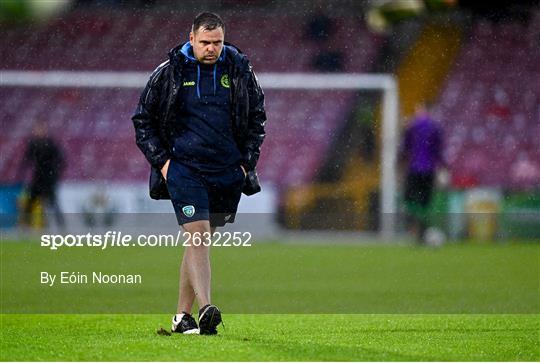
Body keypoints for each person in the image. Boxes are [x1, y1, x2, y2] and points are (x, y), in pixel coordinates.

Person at [132, 12, 266, 335]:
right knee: (198, 236)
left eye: (217, 42)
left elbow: (258, 117)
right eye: (205, 42)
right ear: (191, 38)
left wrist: (245, 164)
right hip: (185, 169)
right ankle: (207, 308)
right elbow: (142, 120)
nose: (211, 48)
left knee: (198, 245)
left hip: (226, 171)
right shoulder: (170, 71)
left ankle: (181, 317)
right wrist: (165, 165)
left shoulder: (239, 69)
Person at [400, 103, 445, 243]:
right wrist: (444, 167)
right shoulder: (435, 127)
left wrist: (399, 162)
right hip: (429, 170)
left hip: (414, 169)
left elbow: (404, 148)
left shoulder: (412, 126)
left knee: (410, 200)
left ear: (421, 110)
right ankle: (422, 232)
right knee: (425, 202)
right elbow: (439, 151)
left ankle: (414, 228)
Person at [19, 121, 65, 229]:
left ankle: (61, 226)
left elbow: (61, 160)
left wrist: (55, 174)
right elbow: (26, 160)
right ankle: (25, 225)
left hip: (49, 178)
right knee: (30, 202)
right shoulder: (33, 144)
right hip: (38, 177)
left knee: (53, 203)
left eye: (40, 129)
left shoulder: (51, 143)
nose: (38, 131)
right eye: (36, 129)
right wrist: (20, 175)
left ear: (45, 130)